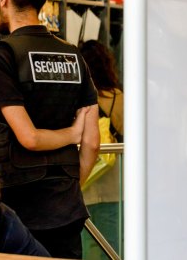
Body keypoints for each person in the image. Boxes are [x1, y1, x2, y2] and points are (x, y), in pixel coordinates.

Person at [0, 0, 100, 259]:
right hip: (65, 212)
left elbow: (28, 136)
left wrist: (70, 135)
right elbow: (92, 142)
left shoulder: (0, 56)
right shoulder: (73, 56)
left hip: (14, 211)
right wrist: (65, 189)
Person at [79, 40, 124, 259]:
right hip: (113, 185)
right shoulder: (121, 99)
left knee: (86, 248)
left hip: (83, 182)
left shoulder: (78, 99)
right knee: (113, 248)